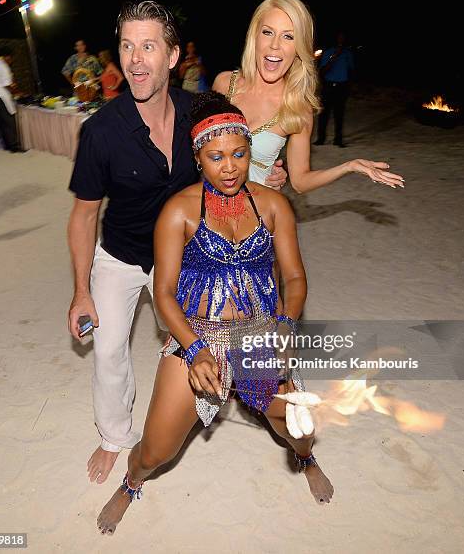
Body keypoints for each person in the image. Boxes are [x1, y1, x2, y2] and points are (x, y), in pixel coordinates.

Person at [67, 1, 288, 486]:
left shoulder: (199, 112)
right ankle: (113, 436)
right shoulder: (100, 132)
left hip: (187, 259)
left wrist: (266, 173)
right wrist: (81, 290)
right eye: (128, 46)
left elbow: (233, 154)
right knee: (107, 351)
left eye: (148, 46)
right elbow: (84, 215)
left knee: (208, 344)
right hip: (121, 256)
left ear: (172, 57)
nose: (136, 59)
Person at [96, 91, 334, 536]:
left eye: (239, 154)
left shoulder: (273, 205)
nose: (229, 167)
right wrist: (197, 348)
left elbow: (296, 279)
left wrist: (284, 328)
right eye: (216, 156)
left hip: (260, 332)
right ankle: (131, 483)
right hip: (197, 336)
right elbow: (164, 294)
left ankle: (306, 459)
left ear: (249, 151)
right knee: (155, 451)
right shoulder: (179, 211)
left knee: (299, 430)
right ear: (199, 158)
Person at [213, 0, 404, 191]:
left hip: (258, 211)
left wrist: (348, 166)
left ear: (299, 48)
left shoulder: (297, 107)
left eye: (288, 36)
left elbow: (300, 181)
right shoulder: (224, 84)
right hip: (208, 209)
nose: (275, 45)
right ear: (254, 36)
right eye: (268, 32)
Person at [314, 31, 354, 147]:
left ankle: (338, 140)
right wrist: (334, 57)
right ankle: (321, 139)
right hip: (329, 86)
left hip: (342, 87)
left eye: (343, 38)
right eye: (339, 38)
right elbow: (322, 71)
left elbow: (351, 70)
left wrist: (349, 86)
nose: (341, 40)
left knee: (339, 114)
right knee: (324, 114)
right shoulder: (328, 52)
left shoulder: (348, 53)